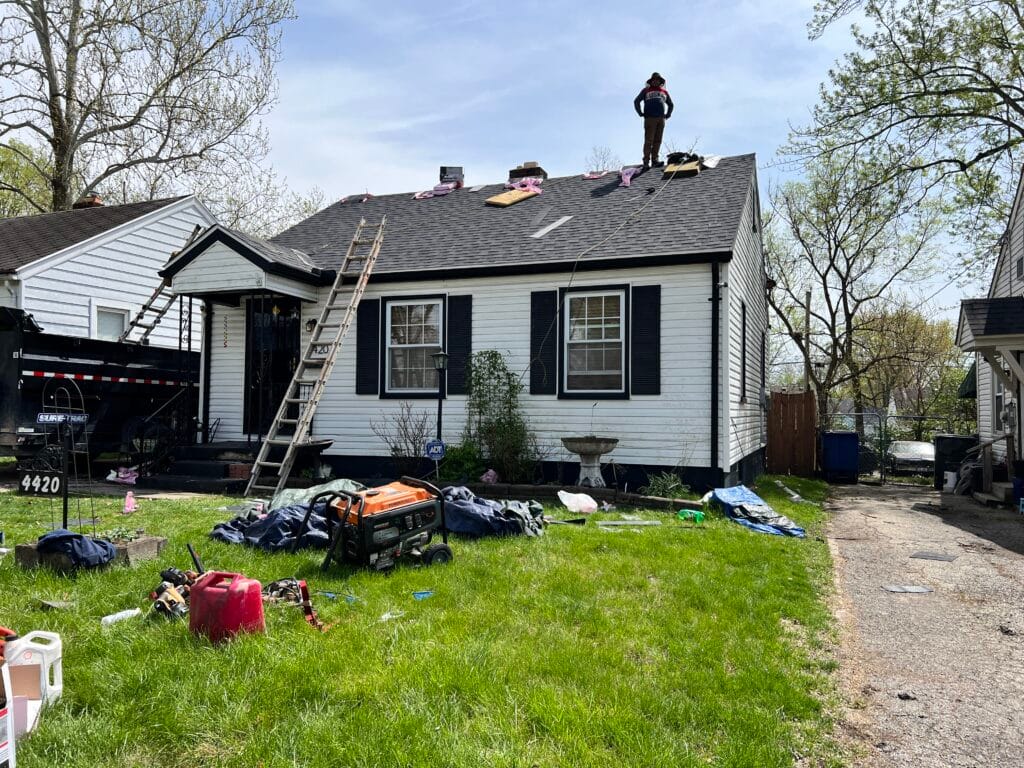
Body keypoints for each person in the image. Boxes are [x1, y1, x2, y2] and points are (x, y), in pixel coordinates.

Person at [634, 72, 673, 169]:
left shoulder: (664, 92)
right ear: (651, 81)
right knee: (649, 140)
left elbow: (671, 104)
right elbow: (636, 101)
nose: (656, 81)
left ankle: (655, 160)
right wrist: (640, 113)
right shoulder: (646, 90)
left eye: (657, 80)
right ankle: (646, 161)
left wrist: (668, 114)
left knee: (658, 140)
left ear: (660, 82)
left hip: (661, 119)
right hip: (650, 118)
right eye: (654, 80)